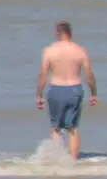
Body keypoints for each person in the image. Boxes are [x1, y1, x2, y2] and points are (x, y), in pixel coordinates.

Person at [35, 21, 97, 160]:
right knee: (73, 129)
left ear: (57, 34)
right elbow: (89, 74)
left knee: (56, 129)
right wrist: (93, 94)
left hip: (56, 89)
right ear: (70, 33)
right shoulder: (80, 50)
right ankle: (73, 162)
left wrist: (39, 95)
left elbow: (43, 74)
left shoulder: (49, 51)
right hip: (75, 89)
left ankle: (59, 160)